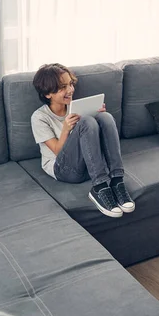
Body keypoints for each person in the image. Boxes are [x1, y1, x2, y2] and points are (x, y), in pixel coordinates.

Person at [31, 63, 134, 218]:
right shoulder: (39, 118)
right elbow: (58, 152)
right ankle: (99, 187)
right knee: (86, 122)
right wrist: (66, 128)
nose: (70, 90)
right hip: (63, 170)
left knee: (104, 117)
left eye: (70, 84)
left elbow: (92, 141)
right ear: (48, 94)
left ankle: (117, 180)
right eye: (63, 87)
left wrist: (97, 117)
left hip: (89, 166)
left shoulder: (77, 108)